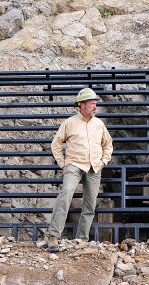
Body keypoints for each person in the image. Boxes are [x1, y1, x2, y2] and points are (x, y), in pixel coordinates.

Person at [47, 88, 113, 252]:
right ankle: (54, 237)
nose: (95, 107)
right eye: (92, 103)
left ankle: (81, 240)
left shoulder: (99, 124)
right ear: (82, 105)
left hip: (94, 168)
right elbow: (56, 144)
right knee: (66, 194)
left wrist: (104, 161)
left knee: (90, 206)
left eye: (96, 104)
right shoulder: (69, 123)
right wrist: (63, 164)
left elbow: (108, 144)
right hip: (74, 165)